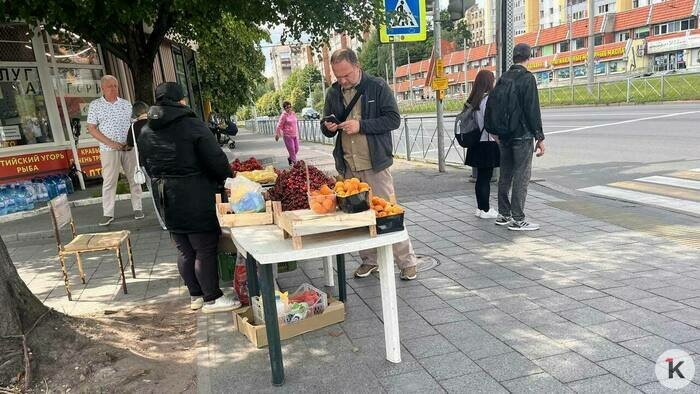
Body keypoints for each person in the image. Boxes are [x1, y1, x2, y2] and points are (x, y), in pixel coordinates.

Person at [137, 82, 240, 313]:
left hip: (165, 196)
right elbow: (216, 160)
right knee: (204, 247)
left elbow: (147, 165)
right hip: (195, 194)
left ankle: (195, 295)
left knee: (184, 249)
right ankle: (212, 298)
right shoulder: (193, 125)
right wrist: (226, 178)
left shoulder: (145, 130)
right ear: (180, 100)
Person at [321, 48, 419, 281]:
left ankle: (406, 261)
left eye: (347, 75)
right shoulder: (333, 93)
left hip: (375, 163)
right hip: (348, 165)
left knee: (388, 213)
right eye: (338, 76)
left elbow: (393, 119)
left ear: (357, 66)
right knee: (358, 216)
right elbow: (325, 127)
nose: (343, 80)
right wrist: (329, 127)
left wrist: (361, 125)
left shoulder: (377, 86)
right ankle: (369, 260)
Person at [489, 43, 545, 231]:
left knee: (505, 175)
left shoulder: (503, 78)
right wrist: (540, 136)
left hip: (504, 136)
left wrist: (494, 131)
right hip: (521, 135)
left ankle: (503, 214)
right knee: (521, 176)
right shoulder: (527, 79)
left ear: (514, 57)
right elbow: (532, 109)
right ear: (529, 57)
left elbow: (493, 106)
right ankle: (518, 219)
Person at [87, 75, 143, 226]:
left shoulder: (126, 104)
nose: (113, 89)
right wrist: (111, 143)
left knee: (134, 178)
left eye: (115, 86)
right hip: (108, 148)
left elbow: (134, 124)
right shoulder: (95, 105)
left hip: (128, 147)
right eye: (110, 86)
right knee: (110, 181)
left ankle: (138, 208)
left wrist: (130, 141)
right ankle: (108, 213)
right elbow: (91, 129)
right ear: (102, 88)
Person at [464, 70, 499, 219]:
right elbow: (491, 123)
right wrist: (499, 140)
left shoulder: (472, 100)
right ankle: (485, 210)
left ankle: (480, 208)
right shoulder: (488, 100)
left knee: (480, 178)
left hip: (475, 142)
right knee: (486, 177)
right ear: (489, 82)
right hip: (487, 143)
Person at [275, 101, 300, 165]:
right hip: (287, 136)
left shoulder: (293, 113)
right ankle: (295, 164)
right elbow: (279, 125)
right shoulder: (283, 116)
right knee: (292, 150)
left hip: (294, 134)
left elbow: (295, 123)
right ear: (284, 108)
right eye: (287, 108)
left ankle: (290, 158)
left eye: (289, 107)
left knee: (296, 149)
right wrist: (277, 134)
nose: (288, 109)